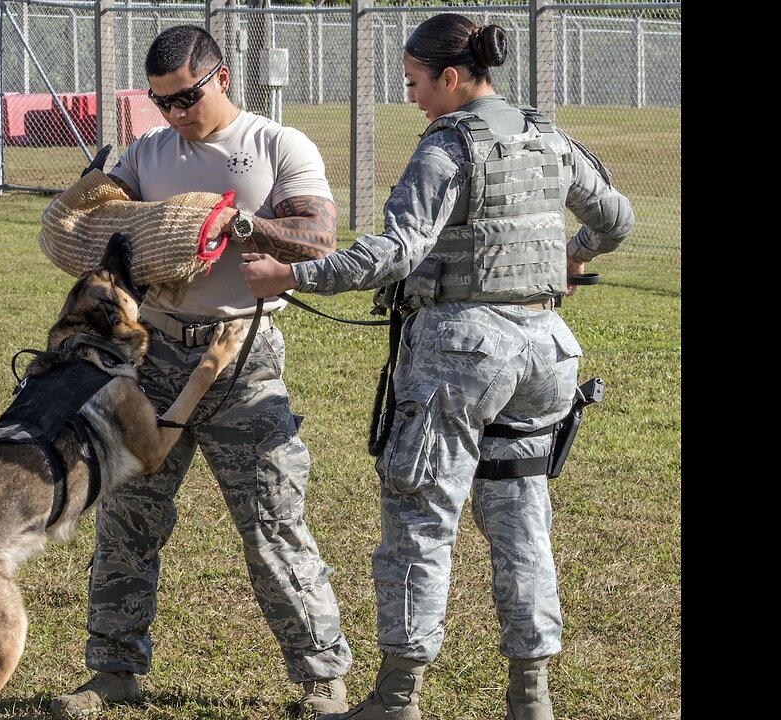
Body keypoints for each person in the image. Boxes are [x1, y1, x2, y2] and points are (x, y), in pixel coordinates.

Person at [240, 13, 633, 720]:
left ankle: (397, 697)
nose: (412, 96)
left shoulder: (447, 150)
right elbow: (616, 218)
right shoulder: (545, 133)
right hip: (544, 350)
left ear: (452, 77)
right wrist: (573, 256)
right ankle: (531, 698)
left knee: (421, 518)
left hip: (462, 355)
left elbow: (394, 252)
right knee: (522, 520)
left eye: (416, 83)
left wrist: (290, 277)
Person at [48, 23, 353, 719]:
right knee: (127, 515)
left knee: (272, 518)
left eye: (187, 97)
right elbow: (102, 221)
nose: (177, 114)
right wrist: (81, 208)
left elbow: (319, 237)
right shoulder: (148, 152)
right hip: (153, 354)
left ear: (220, 77)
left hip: (241, 354)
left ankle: (321, 676)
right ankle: (113, 670)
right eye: (163, 102)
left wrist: (239, 226)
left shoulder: (277, 145)